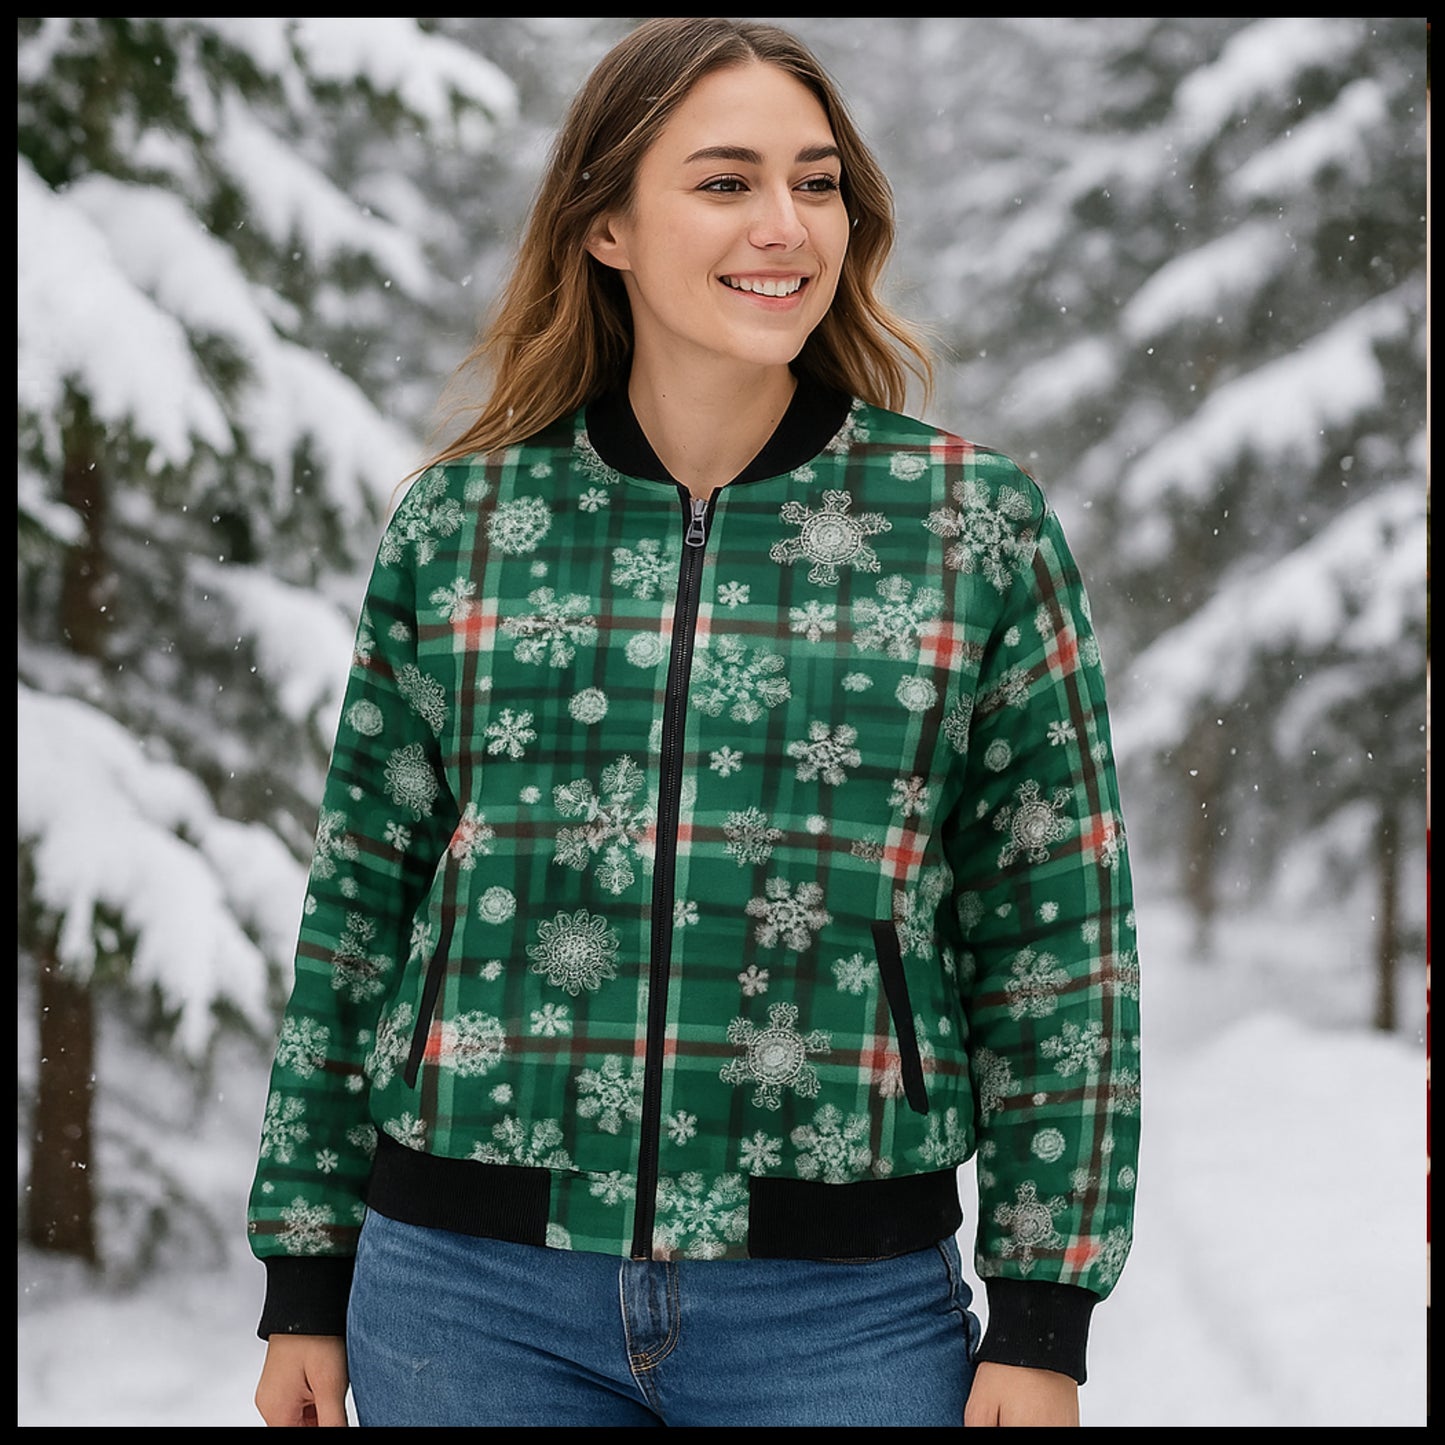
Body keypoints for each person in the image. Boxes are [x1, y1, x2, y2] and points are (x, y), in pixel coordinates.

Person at [248, 16, 1141, 1429]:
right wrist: (307, 1263)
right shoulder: (466, 525)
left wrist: (1044, 1311)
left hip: (837, 1302)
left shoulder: (971, 527)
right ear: (603, 222)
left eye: (816, 180)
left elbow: (1056, 937)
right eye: (723, 182)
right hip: (468, 1290)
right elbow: (363, 899)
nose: (783, 225)